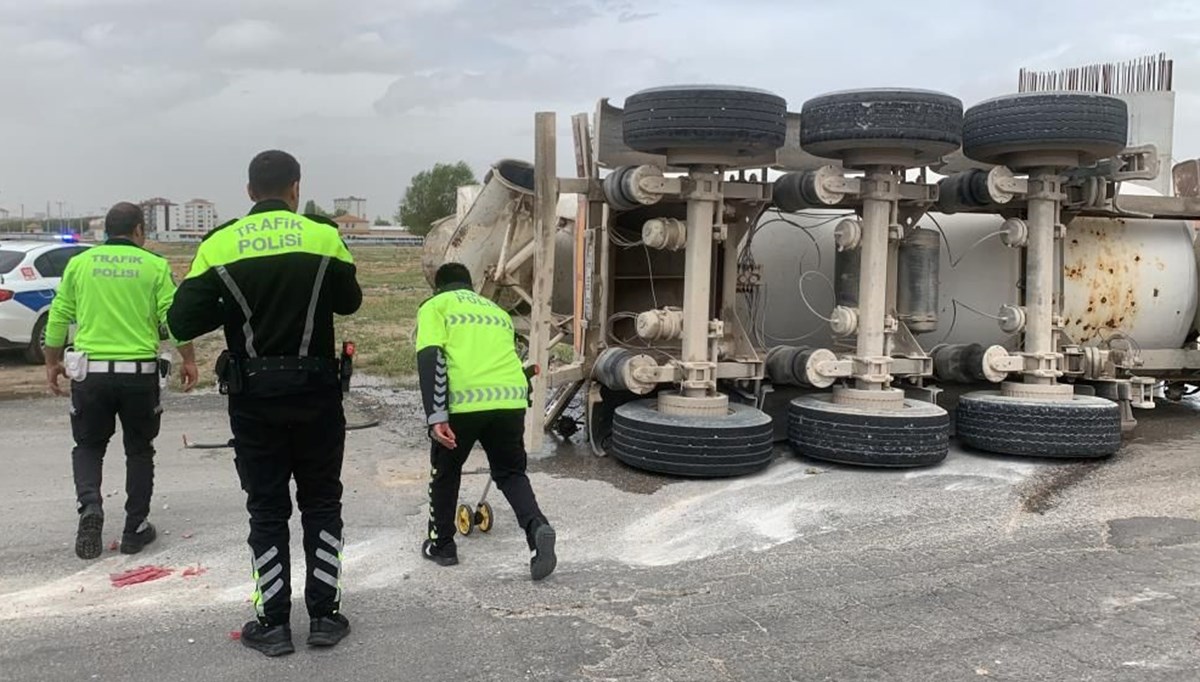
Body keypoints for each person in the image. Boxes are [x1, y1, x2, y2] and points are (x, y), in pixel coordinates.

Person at [167, 150, 362, 657]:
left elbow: (182, 321)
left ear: (250, 191)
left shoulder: (221, 243)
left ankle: (273, 624)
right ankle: (325, 616)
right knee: (322, 502)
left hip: (254, 399)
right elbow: (350, 301)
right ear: (296, 188)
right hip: (318, 393)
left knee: (267, 507)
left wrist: (229, 303)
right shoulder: (324, 236)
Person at [44, 202, 199, 561]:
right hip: (138, 375)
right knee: (139, 450)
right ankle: (135, 528)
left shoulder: (79, 264)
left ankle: (90, 508)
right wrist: (188, 359)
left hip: (90, 374)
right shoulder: (155, 266)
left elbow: (59, 316)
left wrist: (52, 363)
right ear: (139, 231)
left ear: (105, 232)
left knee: (88, 446)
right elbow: (173, 320)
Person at [415, 262, 557, 581]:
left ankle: (442, 545)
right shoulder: (495, 311)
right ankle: (537, 530)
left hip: (464, 403)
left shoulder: (435, 307)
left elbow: (431, 358)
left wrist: (436, 415)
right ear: (471, 285)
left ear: (438, 287)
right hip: (509, 400)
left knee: (446, 472)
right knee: (510, 473)